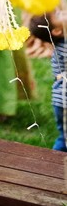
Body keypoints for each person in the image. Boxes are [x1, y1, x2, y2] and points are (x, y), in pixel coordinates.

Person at [25, 12, 67, 152]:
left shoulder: (60, 46)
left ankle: (53, 162)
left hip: (60, 102)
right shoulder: (64, 48)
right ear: (57, 30)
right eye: (60, 14)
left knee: (64, 138)